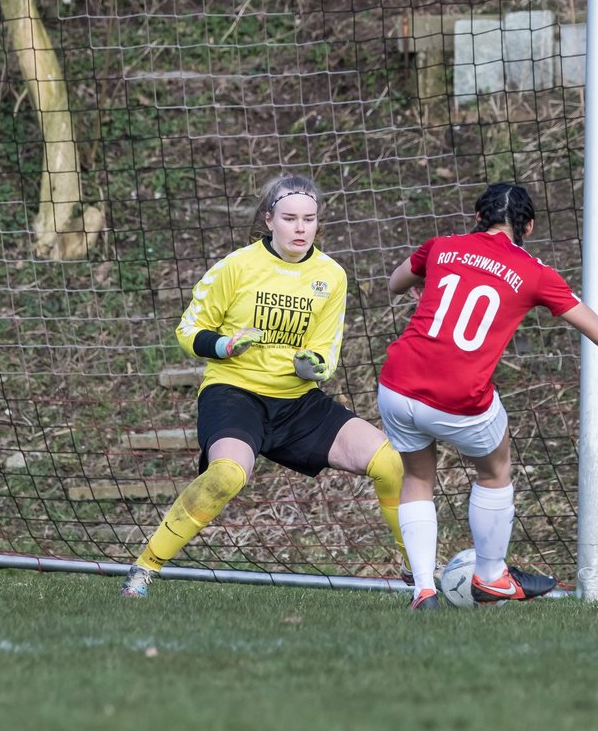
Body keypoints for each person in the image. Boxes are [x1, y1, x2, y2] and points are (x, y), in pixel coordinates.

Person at [378, 182, 598, 610]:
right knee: (496, 469)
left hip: (396, 383)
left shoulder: (442, 246)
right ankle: (492, 575)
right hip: (458, 397)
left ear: (478, 218)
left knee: (418, 478)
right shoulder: (534, 272)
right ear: (527, 226)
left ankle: (423, 588)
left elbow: (394, 283)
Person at [121, 174, 409, 597]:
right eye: (290, 218)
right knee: (226, 476)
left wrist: (313, 366)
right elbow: (188, 330)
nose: (300, 228)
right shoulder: (237, 266)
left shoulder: (331, 275)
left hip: (297, 401)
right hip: (234, 394)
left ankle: (416, 570)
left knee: (390, 463)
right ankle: (144, 569)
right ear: (269, 219)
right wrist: (225, 344)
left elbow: (325, 351)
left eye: (309, 219)